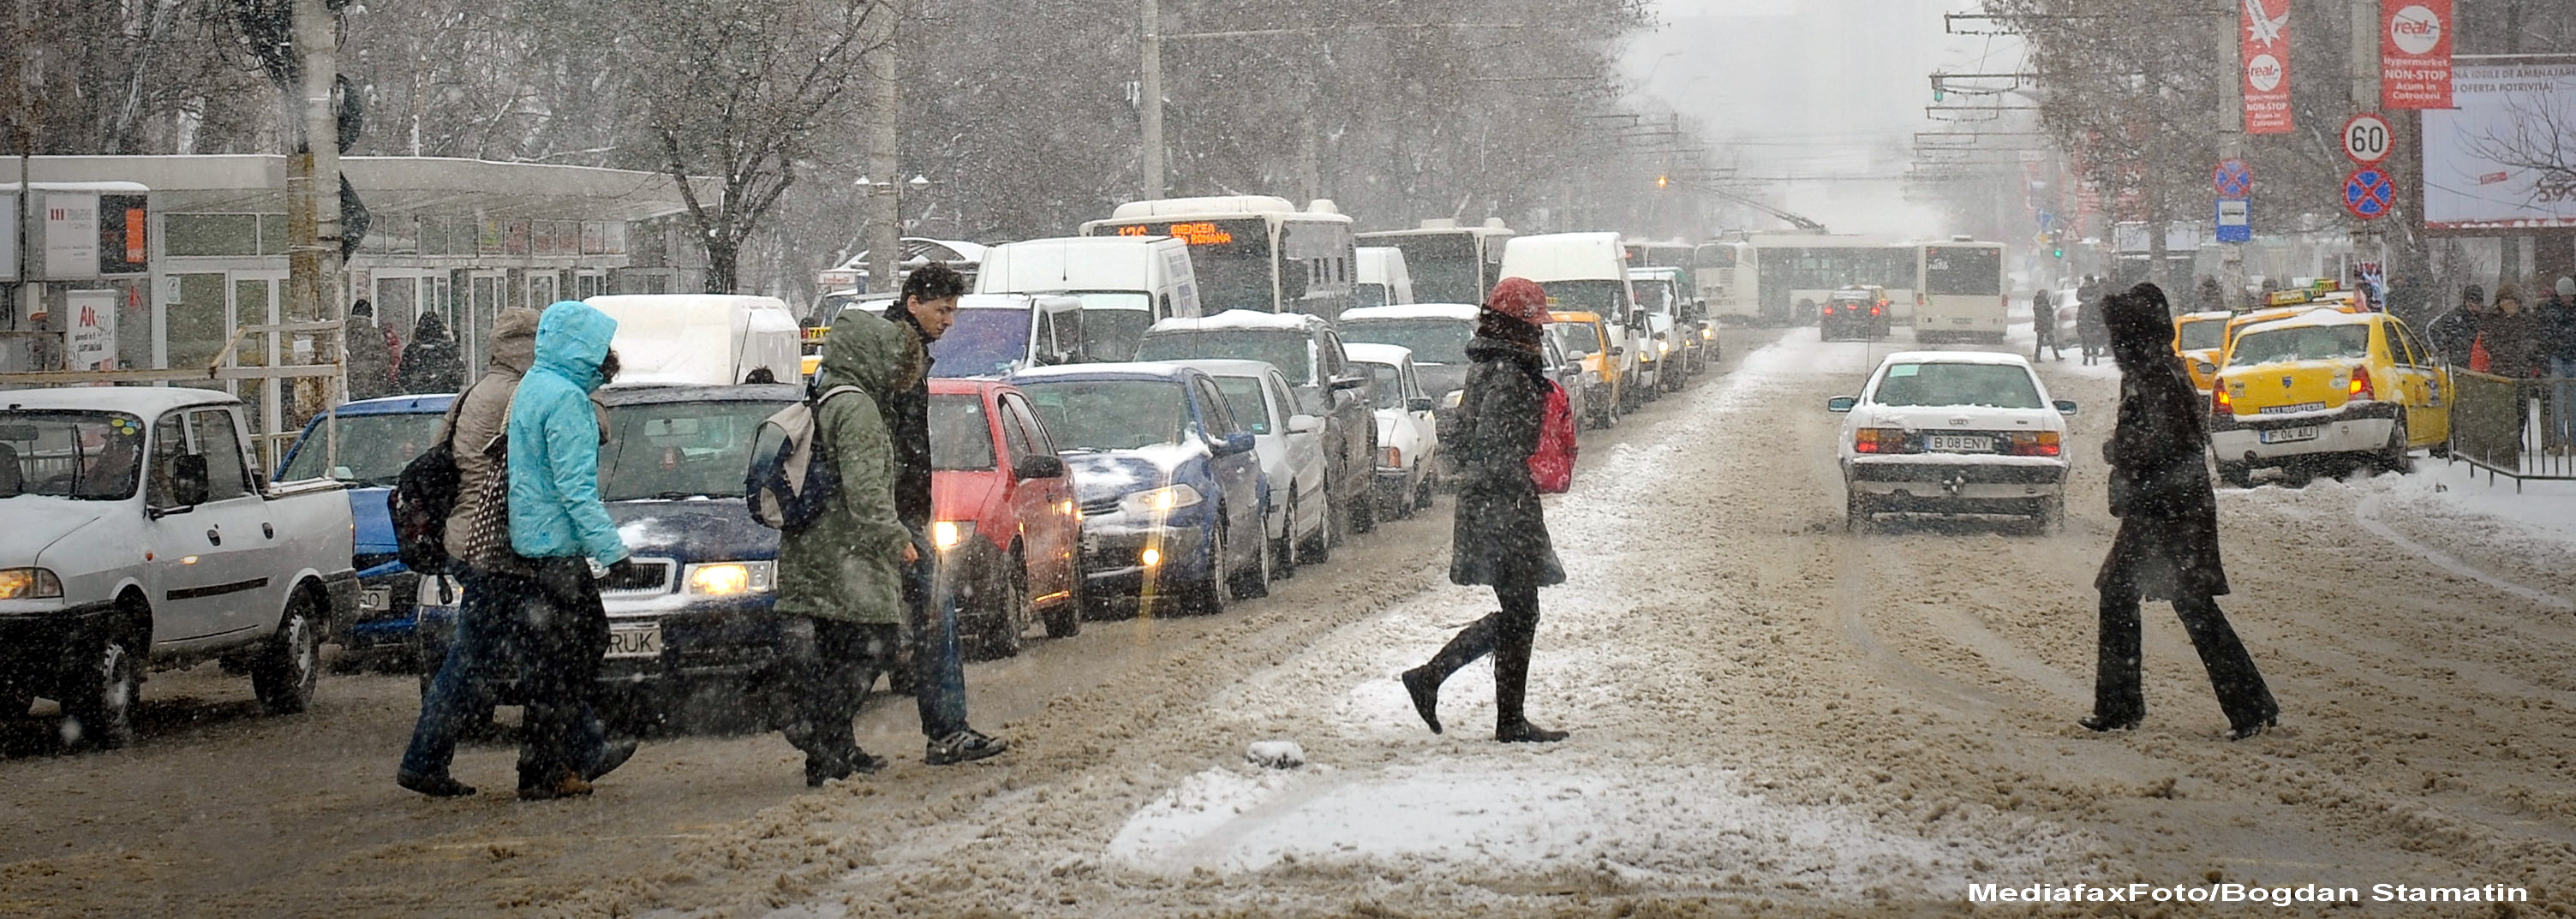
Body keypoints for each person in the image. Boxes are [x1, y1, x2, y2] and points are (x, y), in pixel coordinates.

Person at [396, 308, 633, 798]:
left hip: (470, 537)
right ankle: (427, 760)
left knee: (536, 653)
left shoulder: (475, 392)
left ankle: (579, 750)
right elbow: (591, 440)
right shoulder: (527, 393)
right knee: (486, 659)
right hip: (499, 546)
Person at [2087, 282, 2277, 741]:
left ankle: (2244, 707)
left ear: (2133, 338)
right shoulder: (2151, 371)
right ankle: (2245, 706)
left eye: (2120, 338)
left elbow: (2174, 442)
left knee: (2175, 601)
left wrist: (2122, 449)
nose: (2116, 347)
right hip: (2165, 507)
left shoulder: (2155, 375)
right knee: (2156, 598)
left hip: (2170, 509)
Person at [1400, 277, 1569, 743]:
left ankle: (1482, 704)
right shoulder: (1511, 373)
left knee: (1520, 609)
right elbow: (1495, 442)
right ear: (1517, 326)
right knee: (1521, 611)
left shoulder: (1490, 366)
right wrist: (1514, 480)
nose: (1540, 334)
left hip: (1494, 500)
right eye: (1534, 325)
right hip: (1503, 504)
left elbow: (1462, 438)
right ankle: (1439, 682)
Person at [771, 307, 917, 785]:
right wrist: (896, 538)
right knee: (874, 645)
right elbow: (866, 489)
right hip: (847, 552)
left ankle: (831, 753)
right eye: (892, 355)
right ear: (872, 355)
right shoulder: (858, 408)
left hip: (816, 548)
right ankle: (818, 730)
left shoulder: (826, 393)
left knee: (837, 648)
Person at [502, 301, 633, 800]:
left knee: (548, 666)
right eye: (600, 348)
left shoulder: (534, 387)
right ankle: (554, 767)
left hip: (531, 546)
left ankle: (548, 765)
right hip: (558, 551)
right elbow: (576, 490)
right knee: (575, 655)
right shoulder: (568, 402)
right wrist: (613, 552)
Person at [882, 263, 1009, 766]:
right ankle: (947, 731)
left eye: (954, 310)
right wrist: (898, 515)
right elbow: (888, 442)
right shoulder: (898, 355)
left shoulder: (901, 351)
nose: (949, 320)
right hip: (893, 516)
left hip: (891, 512)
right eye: (942, 309)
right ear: (913, 303)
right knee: (935, 616)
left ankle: (830, 745)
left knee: (873, 630)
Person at [2544, 277, 2576, 451]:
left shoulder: (2553, 311)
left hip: (2572, 357)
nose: (2567, 299)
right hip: (2558, 358)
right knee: (2558, 401)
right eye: (2565, 295)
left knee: (2573, 403)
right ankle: (2559, 439)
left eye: (2570, 295)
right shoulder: (2551, 311)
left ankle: (2573, 440)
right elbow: (2547, 335)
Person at [400, 312, 465, 395]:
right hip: (445, 397)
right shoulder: (448, 349)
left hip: (417, 398)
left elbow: (403, 376)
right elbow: (459, 374)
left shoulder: (412, 350)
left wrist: (416, 385)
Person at [2484, 283, 2539, 380]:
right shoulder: (2492, 318)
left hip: (2521, 369)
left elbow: (2533, 340)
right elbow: (2487, 341)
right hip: (2499, 367)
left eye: (2510, 301)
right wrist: (2502, 352)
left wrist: (2523, 353)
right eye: (2503, 300)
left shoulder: (2527, 319)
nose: (2506, 304)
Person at [344, 300, 397, 402]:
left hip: (348, 387)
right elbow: (383, 361)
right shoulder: (375, 335)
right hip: (371, 388)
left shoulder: (343, 332)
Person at [2428, 284, 2483, 368]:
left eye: (2477, 302)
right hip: (2456, 363)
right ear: (2465, 301)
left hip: (2477, 365)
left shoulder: (2485, 318)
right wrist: (2442, 348)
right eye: (2471, 302)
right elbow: (2432, 328)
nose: (2474, 306)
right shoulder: (2454, 316)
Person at [2076, 275, 2110, 366]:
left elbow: (2100, 297)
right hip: (2086, 319)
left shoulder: (2097, 289)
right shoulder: (2083, 290)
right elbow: (2078, 297)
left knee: (2094, 338)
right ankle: (2086, 356)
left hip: (2093, 318)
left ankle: (2094, 356)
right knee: (2085, 338)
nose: (2088, 282)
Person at [2031, 289, 2064, 361]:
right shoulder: (2042, 302)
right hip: (2045, 324)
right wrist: (2048, 318)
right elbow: (2046, 312)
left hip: (2041, 324)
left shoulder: (2038, 302)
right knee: (2050, 341)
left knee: (2041, 341)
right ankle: (2056, 356)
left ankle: (2037, 357)